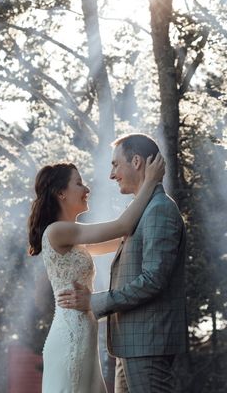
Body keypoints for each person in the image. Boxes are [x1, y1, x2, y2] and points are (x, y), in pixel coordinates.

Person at [58, 134, 188, 393]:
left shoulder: (159, 210)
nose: (112, 174)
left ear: (136, 161)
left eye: (116, 164)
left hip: (148, 345)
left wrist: (93, 302)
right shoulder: (143, 212)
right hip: (132, 345)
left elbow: (153, 280)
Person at [28, 152, 165, 393]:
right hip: (71, 336)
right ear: (61, 193)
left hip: (83, 333)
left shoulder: (72, 237)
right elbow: (122, 226)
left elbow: (123, 238)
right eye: (79, 183)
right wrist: (150, 181)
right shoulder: (57, 231)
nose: (86, 188)